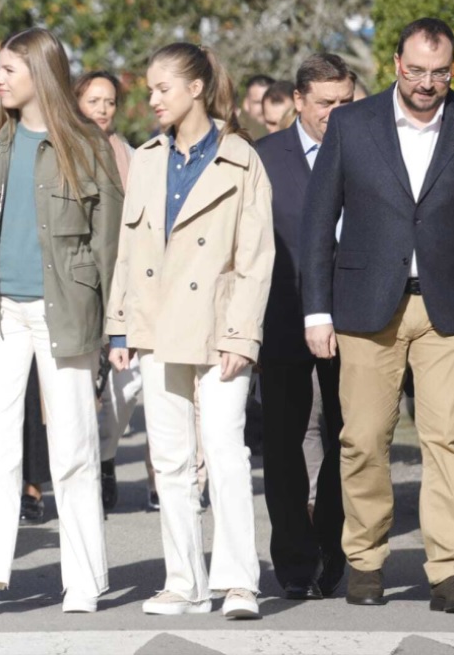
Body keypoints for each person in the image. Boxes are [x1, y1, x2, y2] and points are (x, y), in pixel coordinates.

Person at [0, 27, 122, 617]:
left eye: (9, 69)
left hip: (67, 312)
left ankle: (84, 580)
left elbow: (109, 244)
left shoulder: (86, 146)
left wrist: (117, 328)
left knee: (75, 449)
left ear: (39, 71)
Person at [301, 17, 454, 614]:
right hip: (365, 307)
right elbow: (319, 224)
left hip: (449, 308)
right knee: (363, 438)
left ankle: (449, 569)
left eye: (439, 72)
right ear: (396, 63)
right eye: (416, 70)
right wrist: (317, 310)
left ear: (452, 68)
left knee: (448, 439)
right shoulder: (352, 123)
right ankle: (365, 560)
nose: (427, 83)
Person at [107, 42, 273, 619]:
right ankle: (185, 582)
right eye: (150, 89)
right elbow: (129, 249)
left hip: (218, 327)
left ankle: (238, 583)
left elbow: (256, 257)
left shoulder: (240, 157)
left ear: (196, 89)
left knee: (226, 451)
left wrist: (242, 336)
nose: (151, 99)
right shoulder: (148, 158)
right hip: (155, 328)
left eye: (162, 88)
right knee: (171, 461)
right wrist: (120, 327)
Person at [257, 53, 355, 600]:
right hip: (282, 317)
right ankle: (294, 560)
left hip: (355, 320)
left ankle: (333, 550)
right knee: (285, 442)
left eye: (345, 102)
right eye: (324, 104)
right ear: (297, 101)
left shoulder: (366, 148)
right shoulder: (264, 159)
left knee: (351, 438)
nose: (335, 113)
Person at [74, 69, 141, 512]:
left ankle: (107, 455)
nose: (102, 109)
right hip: (78, 283)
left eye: (109, 101)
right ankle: (80, 474)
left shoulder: (130, 154)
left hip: (125, 282)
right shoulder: (64, 150)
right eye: (93, 100)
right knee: (77, 389)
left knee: (123, 388)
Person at [241, 74, 274, 139]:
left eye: (269, 102)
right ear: (246, 104)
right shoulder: (235, 139)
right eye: (258, 102)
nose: (264, 107)